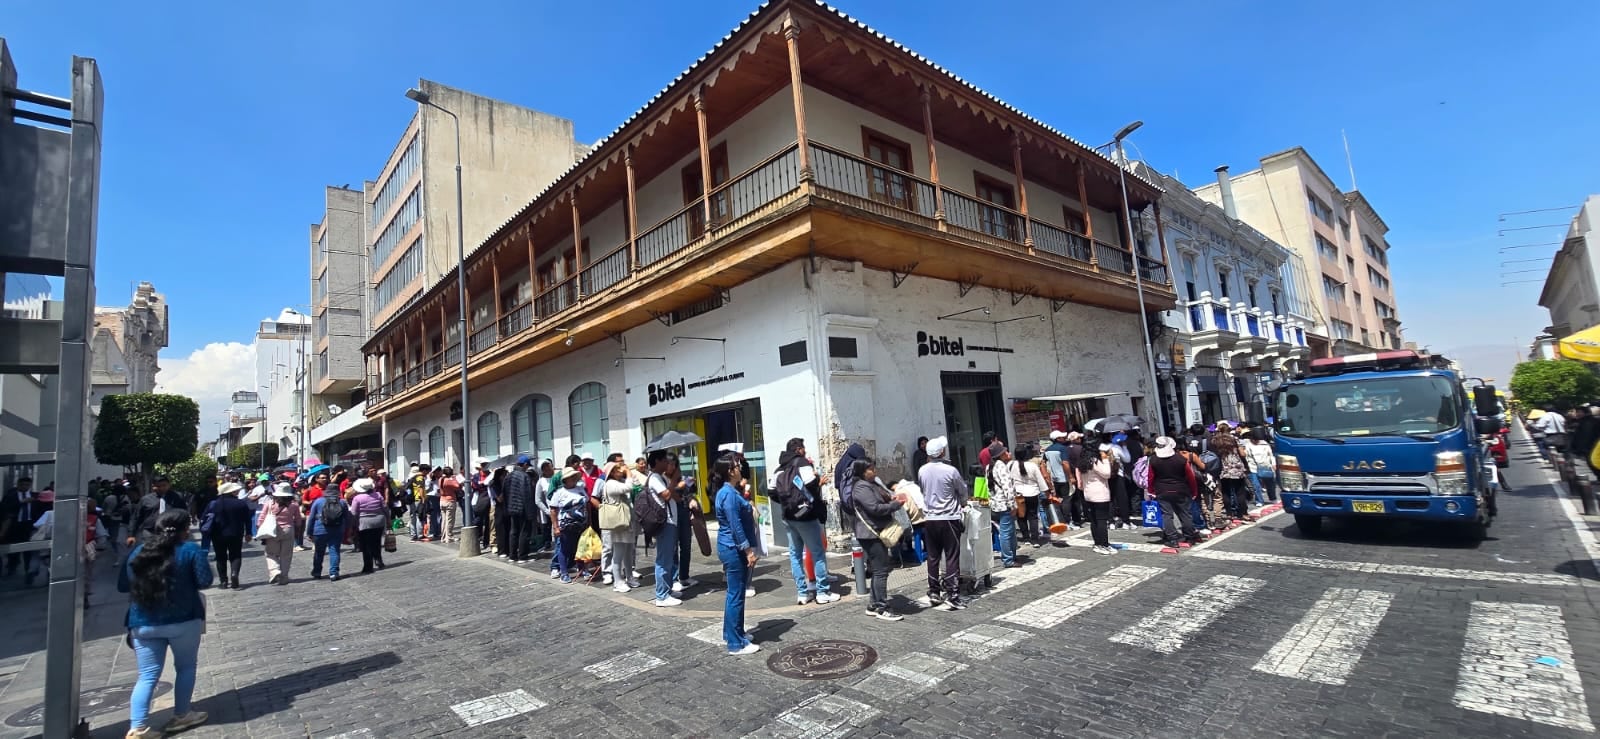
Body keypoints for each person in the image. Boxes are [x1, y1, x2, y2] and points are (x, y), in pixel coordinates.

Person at [119, 510, 211, 738]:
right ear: (185, 529)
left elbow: (123, 585)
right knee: (186, 667)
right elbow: (204, 580)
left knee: (147, 675)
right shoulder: (190, 550)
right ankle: (182, 714)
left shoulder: (138, 551)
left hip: (143, 621)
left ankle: (137, 727)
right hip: (184, 619)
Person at [774, 438, 835, 605]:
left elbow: (772, 491)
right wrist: (819, 483)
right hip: (806, 516)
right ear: (798, 449)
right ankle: (822, 592)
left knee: (795, 554)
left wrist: (788, 504)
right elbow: (811, 484)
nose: (805, 451)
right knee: (817, 553)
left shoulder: (779, 468)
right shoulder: (802, 463)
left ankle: (802, 593)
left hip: (788, 517)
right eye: (803, 448)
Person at [712, 456, 761, 655]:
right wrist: (748, 550)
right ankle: (735, 643)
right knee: (736, 594)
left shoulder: (729, 491)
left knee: (736, 593)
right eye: (737, 466)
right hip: (734, 548)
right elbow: (735, 525)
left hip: (731, 547)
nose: (740, 468)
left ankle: (734, 632)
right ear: (730, 471)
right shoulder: (728, 494)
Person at [849, 458, 907, 621]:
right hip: (870, 533)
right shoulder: (861, 487)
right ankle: (882, 606)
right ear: (862, 471)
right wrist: (896, 505)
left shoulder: (871, 484)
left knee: (878, 569)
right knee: (881, 570)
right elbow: (874, 508)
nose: (874, 472)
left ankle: (874, 604)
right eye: (871, 469)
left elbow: (882, 499)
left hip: (876, 531)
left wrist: (892, 499)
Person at [917, 436, 969, 610]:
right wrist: (963, 502)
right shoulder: (950, 470)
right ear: (941, 452)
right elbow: (962, 491)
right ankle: (953, 594)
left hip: (930, 518)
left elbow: (924, 490)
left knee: (933, 557)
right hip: (948, 517)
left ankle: (934, 591)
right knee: (952, 556)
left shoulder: (922, 470)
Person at [646, 450, 690, 607]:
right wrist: (674, 481)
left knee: (669, 558)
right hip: (664, 522)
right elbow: (665, 495)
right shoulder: (654, 478)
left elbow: (674, 496)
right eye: (664, 460)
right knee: (664, 560)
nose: (667, 463)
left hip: (671, 521)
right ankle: (662, 596)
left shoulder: (662, 477)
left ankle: (667, 589)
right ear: (657, 461)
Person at [1144, 437, 1201, 551]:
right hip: (1181, 489)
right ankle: (1189, 536)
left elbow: (1150, 477)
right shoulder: (1180, 459)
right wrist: (1194, 491)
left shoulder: (1154, 460)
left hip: (1162, 490)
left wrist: (1151, 490)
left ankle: (1172, 539)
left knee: (1167, 515)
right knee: (1185, 514)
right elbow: (1190, 476)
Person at [203, 482, 252, 589]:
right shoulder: (240, 504)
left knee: (220, 557)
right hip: (236, 534)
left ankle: (223, 581)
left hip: (217, 535)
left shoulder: (213, 504)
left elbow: (204, 518)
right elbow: (247, 520)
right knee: (236, 555)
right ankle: (234, 574)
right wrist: (248, 532)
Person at [599, 463, 640, 592]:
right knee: (618, 553)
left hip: (625, 521)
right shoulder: (610, 483)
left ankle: (629, 577)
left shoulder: (618, 481)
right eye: (617, 470)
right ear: (610, 473)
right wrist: (628, 473)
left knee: (628, 551)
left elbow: (636, 484)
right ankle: (618, 581)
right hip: (618, 523)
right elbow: (628, 488)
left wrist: (629, 475)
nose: (620, 471)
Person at [257, 484, 302, 585]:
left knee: (271, 553)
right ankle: (284, 577)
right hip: (289, 530)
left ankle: (274, 571)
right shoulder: (294, 504)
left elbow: (261, 518)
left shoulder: (270, 503)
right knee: (286, 555)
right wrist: (298, 530)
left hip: (273, 531)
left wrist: (260, 528)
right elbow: (298, 520)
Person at [550, 467, 589, 583]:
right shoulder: (559, 493)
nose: (572, 479)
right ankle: (564, 572)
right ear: (565, 479)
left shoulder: (580, 489)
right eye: (570, 477)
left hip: (581, 524)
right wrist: (556, 527)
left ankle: (583, 569)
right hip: (566, 525)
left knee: (581, 547)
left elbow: (586, 505)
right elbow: (553, 510)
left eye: (573, 477)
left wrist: (589, 522)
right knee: (564, 548)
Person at [307, 479, 350, 581]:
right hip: (336, 530)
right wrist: (347, 530)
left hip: (319, 530)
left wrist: (309, 532)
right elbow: (347, 518)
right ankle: (334, 573)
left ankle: (317, 572)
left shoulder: (318, 501)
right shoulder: (342, 503)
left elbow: (312, 518)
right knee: (334, 551)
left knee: (319, 552)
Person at [986, 442, 1020, 568]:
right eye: (1004, 451)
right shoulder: (1001, 466)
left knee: (1007, 531)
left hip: (995, 503)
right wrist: (1012, 505)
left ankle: (1010, 555)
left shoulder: (989, 467)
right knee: (1007, 532)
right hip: (1004, 504)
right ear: (1000, 454)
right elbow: (1008, 487)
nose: (1007, 453)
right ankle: (1008, 559)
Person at [128, 476, 189, 547]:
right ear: (153, 486)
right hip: (150, 532)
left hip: (171, 532)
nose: (161, 488)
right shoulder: (145, 500)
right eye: (158, 486)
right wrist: (131, 535)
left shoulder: (177, 498)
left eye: (164, 485)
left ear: (169, 485)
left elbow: (184, 515)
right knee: (149, 553)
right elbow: (136, 517)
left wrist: (185, 530)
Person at [1079, 443, 1117, 555]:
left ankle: (1097, 543)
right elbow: (1107, 474)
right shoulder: (1095, 461)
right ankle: (1104, 544)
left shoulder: (1083, 462)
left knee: (1094, 520)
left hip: (1089, 494)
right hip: (1099, 494)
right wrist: (1105, 460)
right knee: (1101, 520)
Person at [350, 477, 389, 574]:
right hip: (378, 521)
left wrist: (353, 525)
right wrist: (388, 519)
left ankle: (368, 566)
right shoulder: (378, 495)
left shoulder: (357, 498)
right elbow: (385, 508)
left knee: (366, 545)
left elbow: (354, 513)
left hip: (364, 523)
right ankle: (378, 560)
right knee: (376, 542)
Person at [503, 456, 538, 562]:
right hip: (523, 508)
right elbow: (527, 495)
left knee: (513, 531)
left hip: (511, 508)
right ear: (525, 465)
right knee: (524, 532)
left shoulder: (508, 476)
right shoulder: (525, 476)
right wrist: (531, 512)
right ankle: (523, 556)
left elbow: (504, 492)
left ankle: (512, 555)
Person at [1014, 444, 1049, 547]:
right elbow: (1040, 480)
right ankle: (1035, 539)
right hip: (1032, 493)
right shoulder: (1032, 466)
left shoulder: (1011, 466)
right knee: (1033, 516)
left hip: (1018, 494)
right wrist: (1047, 491)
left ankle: (1026, 538)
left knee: (1021, 516)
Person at [1244, 429, 1277, 505]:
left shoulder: (1265, 444)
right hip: (1253, 467)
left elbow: (1271, 455)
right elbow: (1246, 456)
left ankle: (1273, 498)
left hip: (1266, 466)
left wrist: (1273, 464)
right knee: (1256, 485)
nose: (1256, 441)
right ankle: (1259, 500)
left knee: (1270, 484)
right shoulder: (1248, 445)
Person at [438, 466, 461, 545]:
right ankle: (449, 536)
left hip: (442, 500)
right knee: (450, 520)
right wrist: (454, 478)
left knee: (444, 520)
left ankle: (443, 537)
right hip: (450, 500)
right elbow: (457, 486)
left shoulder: (441, 479)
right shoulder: (449, 481)